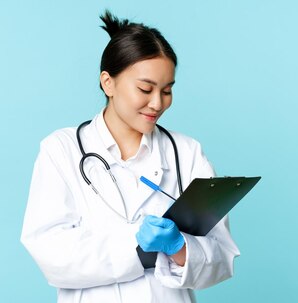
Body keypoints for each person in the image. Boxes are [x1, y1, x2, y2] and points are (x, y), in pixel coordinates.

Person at [21, 10, 240, 303]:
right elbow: (50, 251)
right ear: (108, 82)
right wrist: (136, 248)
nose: (157, 103)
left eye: (167, 91)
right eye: (145, 89)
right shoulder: (61, 150)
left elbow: (222, 259)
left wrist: (179, 248)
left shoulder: (187, 153)